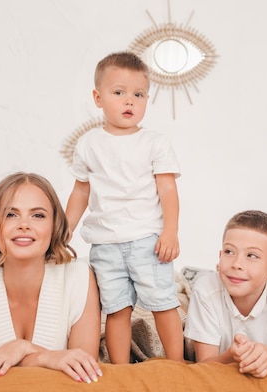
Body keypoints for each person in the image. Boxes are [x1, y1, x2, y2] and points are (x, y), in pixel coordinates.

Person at [65, 51, 183, 363]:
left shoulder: (154, 142)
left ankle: (177, 361)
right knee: (116, 309)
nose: (129, 101)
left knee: (164, 303)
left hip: (148, 240)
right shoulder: (89, 144)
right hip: (105, 244)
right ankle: (121, 370)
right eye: (119, 93)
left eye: (138, 94)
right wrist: (65, 227)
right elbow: (81, 190)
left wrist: (170, 231)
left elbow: (168, 189)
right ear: (98, 97)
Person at [0, 172, 102, 383]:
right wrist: (43, 356)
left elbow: (82, 363)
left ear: (54, 225)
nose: (24, 225)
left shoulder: (78, 276)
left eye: (38, 215)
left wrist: (20, 349)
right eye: (11, 214)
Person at [184, 210, 267, 378]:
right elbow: (205, 364)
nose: (237, 264)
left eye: (251, 255)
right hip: (206, 287)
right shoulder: (205, 290)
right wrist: (231, 355)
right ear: (220, 256)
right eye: (229, 252)